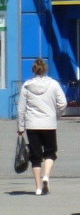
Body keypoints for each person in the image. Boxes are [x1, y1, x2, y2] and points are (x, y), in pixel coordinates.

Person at [17, 58, 68, 196]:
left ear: (33, 70)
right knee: (50, 152)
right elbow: (63, 103)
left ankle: (38, 188)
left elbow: (21, 109)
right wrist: (57, 114)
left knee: (35, 156)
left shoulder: (27, 86)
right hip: (49, 124)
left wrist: (20, 127)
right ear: (45, 69)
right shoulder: (53, 84)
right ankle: (46, 176)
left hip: (32, 125)